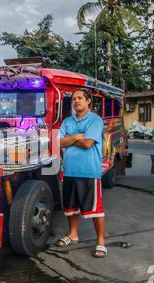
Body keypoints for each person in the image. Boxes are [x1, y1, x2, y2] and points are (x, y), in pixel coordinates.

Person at [57, 88, 107, 258]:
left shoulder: (95, 120)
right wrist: (77, 136)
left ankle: (100, 241)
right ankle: (73, 234)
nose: (76, 101)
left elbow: (87, 144)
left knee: (95, 209)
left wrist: (70, 139)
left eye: (80, 98)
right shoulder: (67, 122)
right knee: (71, 207)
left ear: (88, 101)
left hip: (89, 171)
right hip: (69, 171)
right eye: (73, 99)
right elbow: (59, 143)